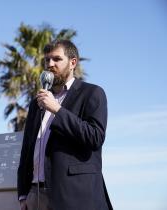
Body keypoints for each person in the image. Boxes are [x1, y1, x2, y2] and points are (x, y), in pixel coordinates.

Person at [17, 39, 113, 210]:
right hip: (35, 196)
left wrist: (57, 110)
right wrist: (23, 194)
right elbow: (27, 150)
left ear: (72, 62)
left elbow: (95, 137)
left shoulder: (92, 93)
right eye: (47, 60)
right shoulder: (37, 102)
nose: (50, 64)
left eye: (56, 59)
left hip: (73, 196)